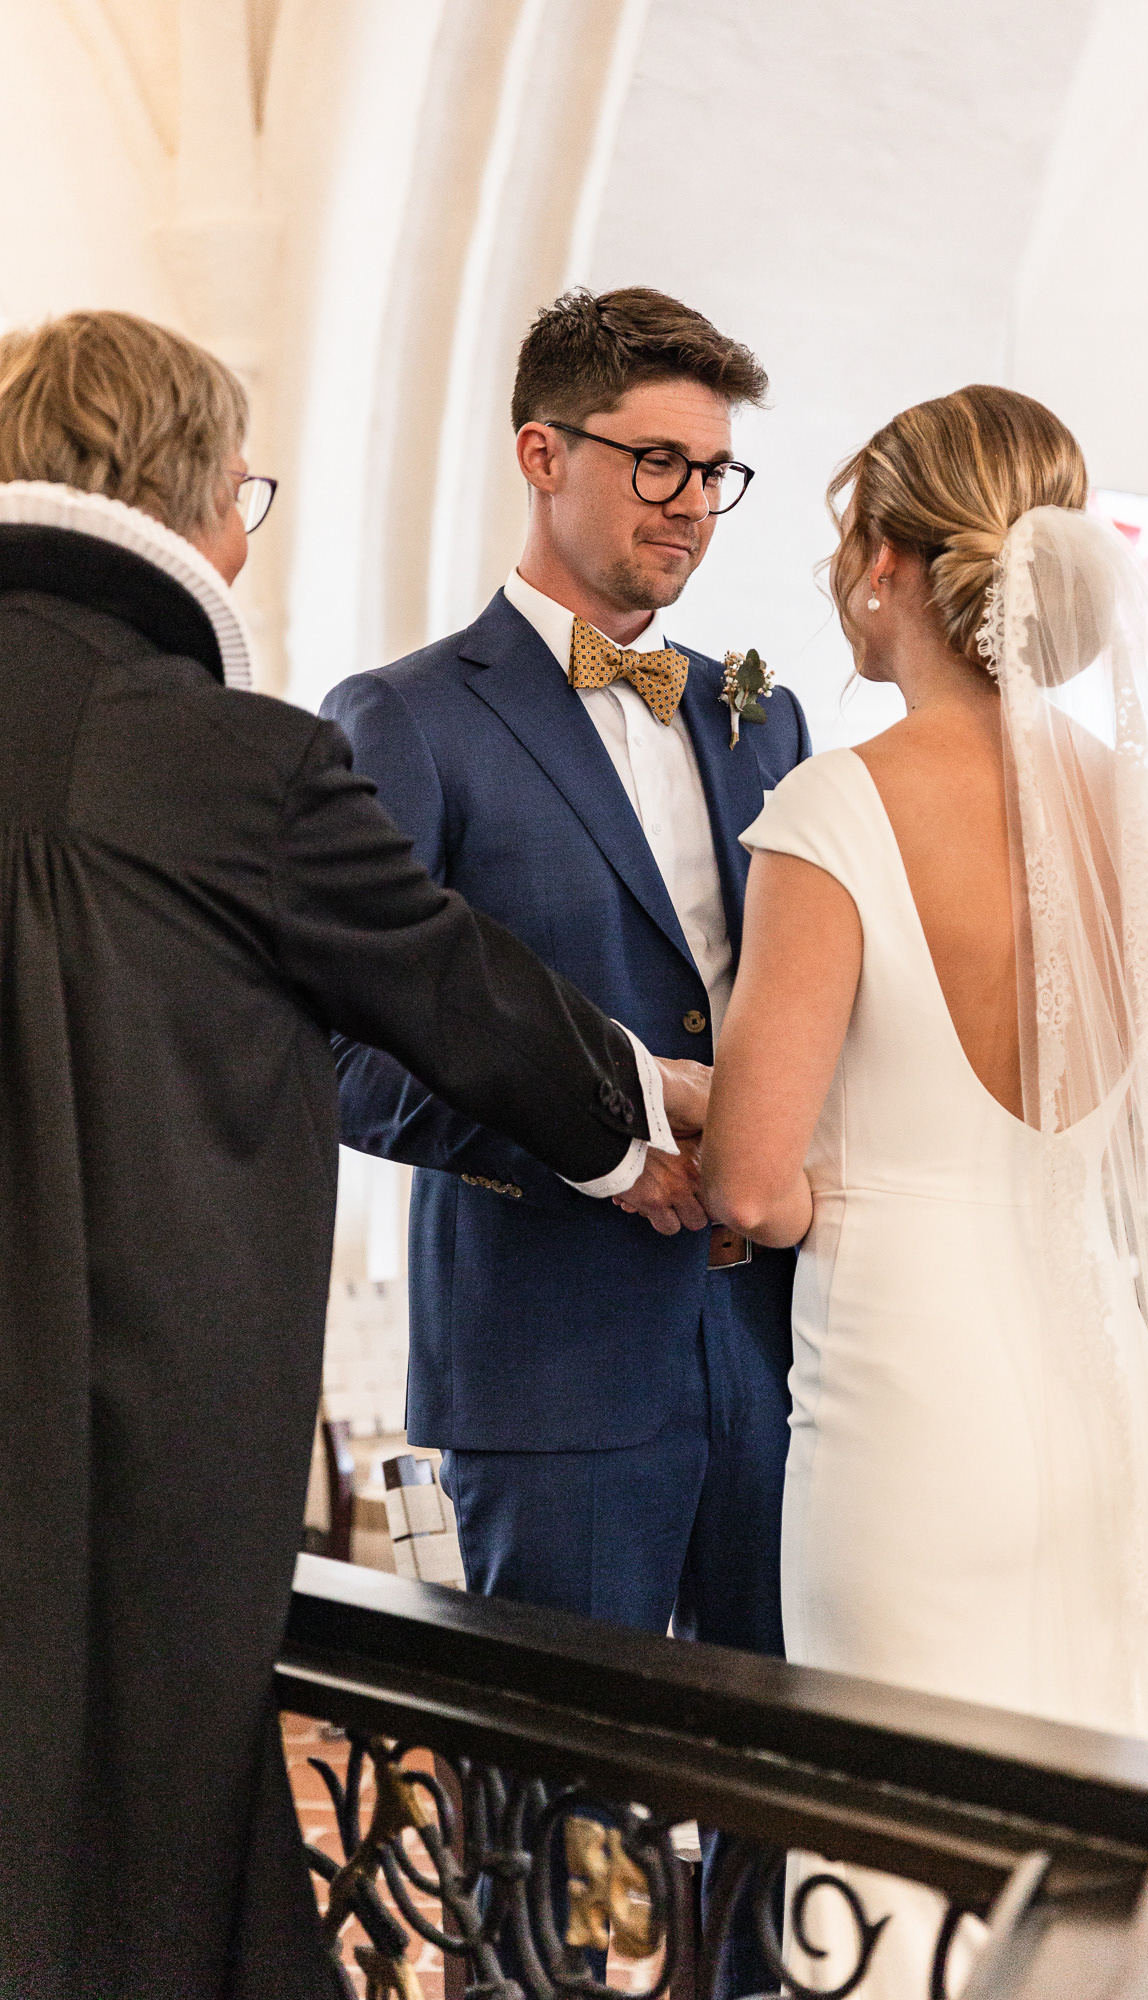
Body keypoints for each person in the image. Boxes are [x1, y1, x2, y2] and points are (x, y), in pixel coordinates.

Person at [0, 309, 705, 2000]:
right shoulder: (232, 757)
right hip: (122, 1394)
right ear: (187, 495)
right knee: (131, 1807)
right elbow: (447, 984)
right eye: (245, 495)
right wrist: (642, 1123)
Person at [701, 384, 1148, 1994]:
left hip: (909, 1411)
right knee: (1097, 1846)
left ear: (888, 564)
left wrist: (793, 1177)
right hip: (1099, 1385)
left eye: (845, 530)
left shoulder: (835, 808)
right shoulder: (1121, 807)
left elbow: (749, 1185)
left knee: (899, 1850)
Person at [323, 289, 808, 1664]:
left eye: (714, 472)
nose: (692, 505)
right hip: (551, 1351)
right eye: (656, 462)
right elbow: (349, 1056)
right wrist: (600, 1146)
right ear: (542, 454)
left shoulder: (761, 716)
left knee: (793, 1758)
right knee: (557, 1777)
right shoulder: (406, 717)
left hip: (781, 1344)